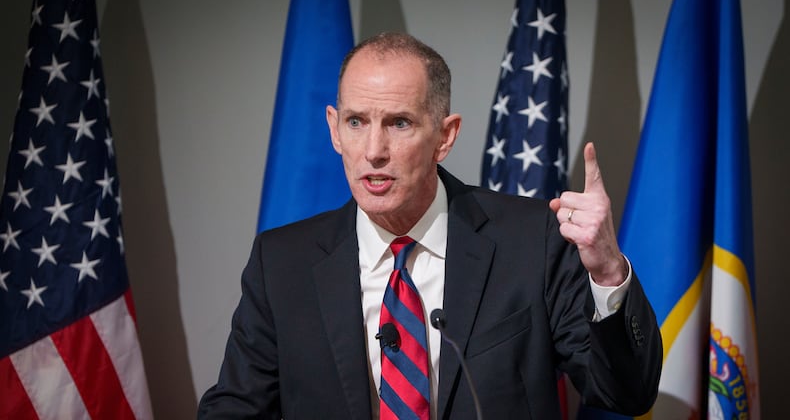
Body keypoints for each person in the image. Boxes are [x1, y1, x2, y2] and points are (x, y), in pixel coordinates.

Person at [198, 32, 661, 419]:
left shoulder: (531, 242)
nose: (373, 150)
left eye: (399, 123)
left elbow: (626, 394)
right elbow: (237, 408)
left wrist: (607, 274)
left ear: (445, 136)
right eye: (357, 122)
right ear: (334, 129)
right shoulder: (283, 263)